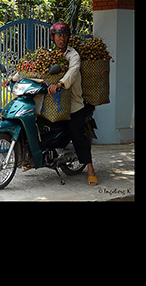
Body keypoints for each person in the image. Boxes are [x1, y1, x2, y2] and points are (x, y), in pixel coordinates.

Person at [45, 22, 98, 186]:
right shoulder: (50, 54)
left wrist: (60, 84)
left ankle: (90, 169)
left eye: (65, 35)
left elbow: (73, 71)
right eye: (59, 35)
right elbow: (36, 68)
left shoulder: (73, 55)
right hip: (55, 103)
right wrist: (13, 78)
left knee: (77, 135)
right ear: (53, 37)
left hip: (73, 102)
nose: (62, 39)